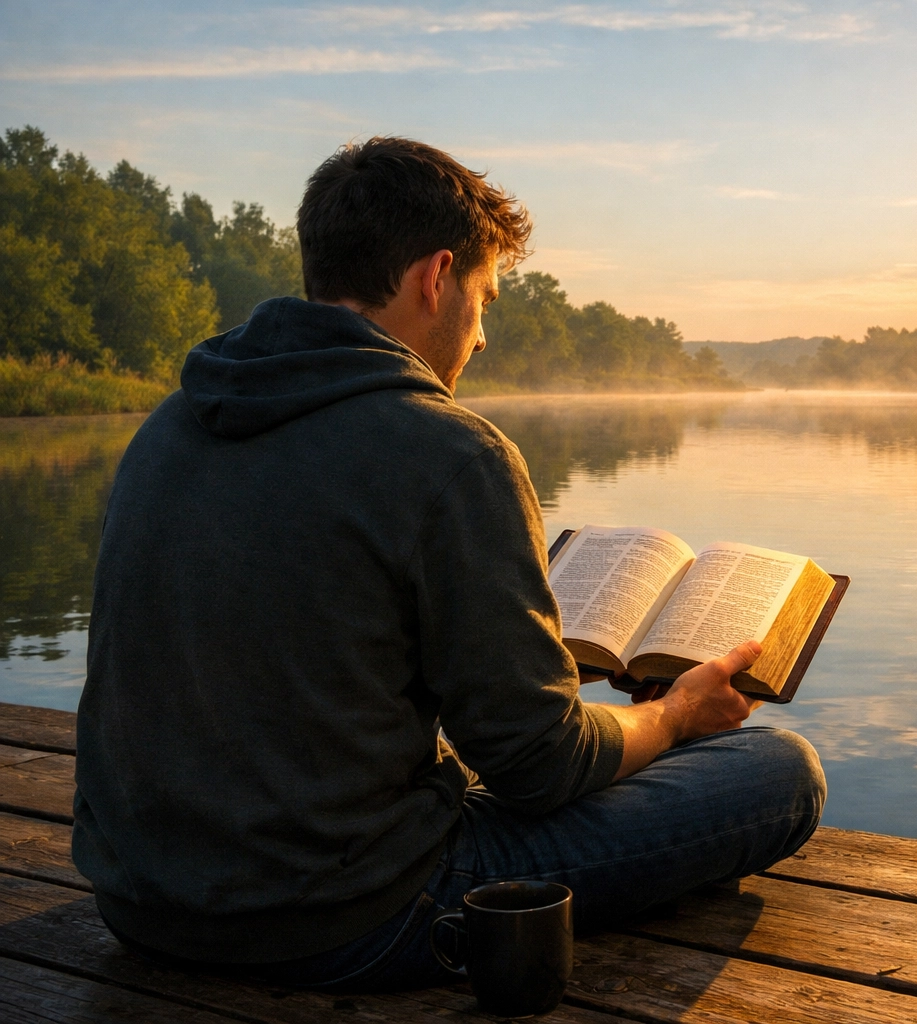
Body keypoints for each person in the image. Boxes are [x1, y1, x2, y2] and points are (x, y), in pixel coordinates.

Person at [71, 136, 825, 991]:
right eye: (486, 297)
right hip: (346, 916)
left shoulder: (168, 426)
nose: (484, 334)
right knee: (776, 773)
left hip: (140, 901)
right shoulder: (450, 452)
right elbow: (542, 769)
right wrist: (679, 714)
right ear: (436, 278)